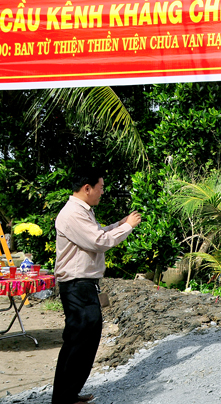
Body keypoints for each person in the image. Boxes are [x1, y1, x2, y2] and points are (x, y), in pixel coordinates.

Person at [52, 168, 142, 404]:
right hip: (76, 285)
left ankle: (69, 394)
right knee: (79, 340)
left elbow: (98, 232)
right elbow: (98, 241)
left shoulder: (83, 211)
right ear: (87, 188)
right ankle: (64, 398)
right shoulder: (73, 213)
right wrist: (128, 227)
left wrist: (119, 224)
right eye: (100, 188)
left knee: (84, 339)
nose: (102, 192)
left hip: (82, 285)